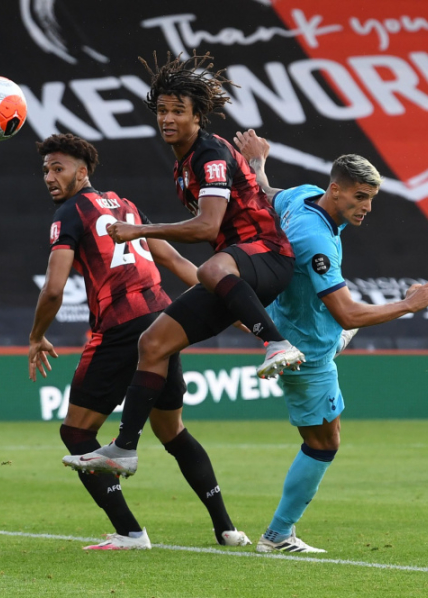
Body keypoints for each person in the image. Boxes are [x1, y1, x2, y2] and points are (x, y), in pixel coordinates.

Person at [64, 52, 304, 478]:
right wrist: (256, 168)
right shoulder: (183, 164)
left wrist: (141, 231)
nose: (167, 118)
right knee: (153, 343)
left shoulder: (209, 153)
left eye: (178, 111)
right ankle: (124, 448)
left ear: (198, 117)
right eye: (162, 110)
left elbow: (206, 225)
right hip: (239, 265)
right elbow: (241, 203)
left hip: (265, 253)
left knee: (213, 269)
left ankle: (278, 343)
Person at [29, 133, 251, 549]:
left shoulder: (68, 213)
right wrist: (231, 304)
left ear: (83, 171)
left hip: (120, 326)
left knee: (76, 433)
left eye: (58, 168)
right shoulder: (125, 206)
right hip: (162, 322)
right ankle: (226, 528)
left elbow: (54, 289)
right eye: (45, 170)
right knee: (173, 431)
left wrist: (36, 336)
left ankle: (130, 532)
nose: (49, 177)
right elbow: (176, 261)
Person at [234, 129, 428, 552]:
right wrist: (410, 303)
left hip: (309, 331)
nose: (366, 208)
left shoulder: (303, 195)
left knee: (326, 429)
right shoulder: (315, 240)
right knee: (324, 442)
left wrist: (258, 162)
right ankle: (278, 535)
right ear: (336, 190)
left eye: (370, 198)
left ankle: (281, 532)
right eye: (359, 198)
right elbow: (348, 312)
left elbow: (266, 193)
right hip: (306, 350)